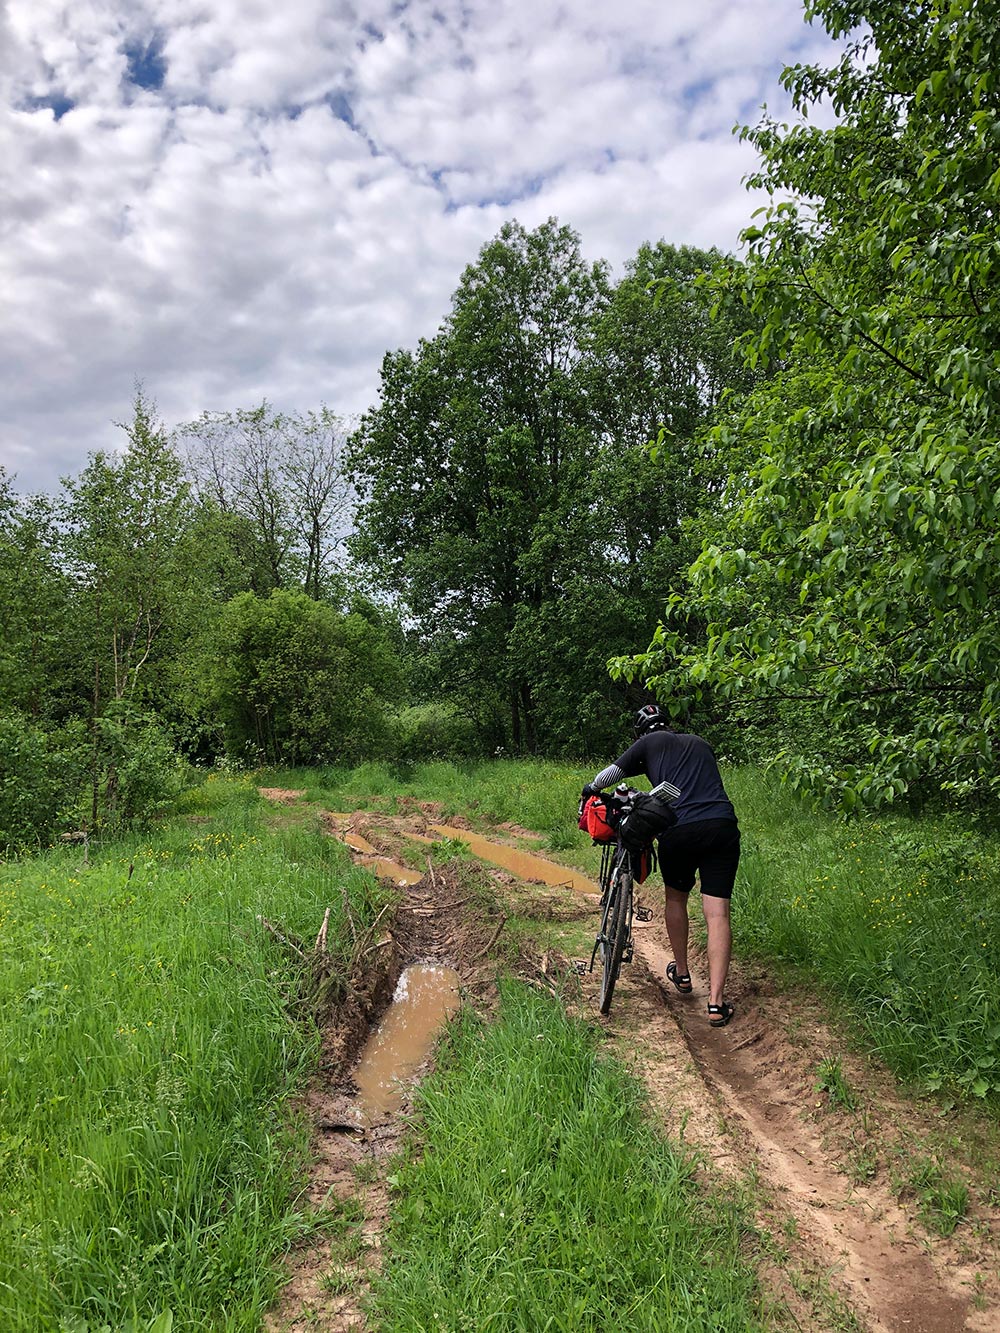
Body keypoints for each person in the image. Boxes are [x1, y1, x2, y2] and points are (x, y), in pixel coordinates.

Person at [582, 703, 740, 1026]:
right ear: (668, 724)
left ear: (642, 731)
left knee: (676, 899)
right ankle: (716, 1003)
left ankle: (682, 973)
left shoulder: (647, 743)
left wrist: (591, 789)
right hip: (721, 825)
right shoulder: (698, 742)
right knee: (717, 912)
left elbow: (609, 775)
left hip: (679, 830)